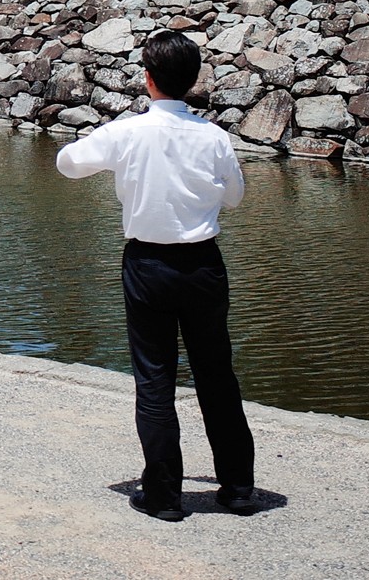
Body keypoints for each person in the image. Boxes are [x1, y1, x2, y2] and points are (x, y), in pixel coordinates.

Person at [56, 29, 259, 521]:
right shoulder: (214, 136)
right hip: (204, 264)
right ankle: (237, 489)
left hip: (148, 264)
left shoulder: (127, 132)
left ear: (147, 78)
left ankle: (165, 494)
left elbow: (67, 163)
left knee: (154, 378)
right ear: (193, 81)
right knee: (216, 375)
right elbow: (234, 197)